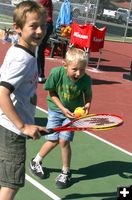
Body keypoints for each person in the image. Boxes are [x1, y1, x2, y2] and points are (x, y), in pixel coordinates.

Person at [0, 1, 49, 200]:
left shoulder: (24, 50)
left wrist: (30, 124)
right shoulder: (23, 59)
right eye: (34, 26)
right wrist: (23, 127)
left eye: (44, 25)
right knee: (11, 184)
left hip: (8, 125)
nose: (40, 31)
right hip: (11, 130)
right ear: (17, 28)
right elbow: (2, 92)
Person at [29, 47, 92, 189]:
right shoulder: (56, 73)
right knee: (52, 139)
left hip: (73, 115)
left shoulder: (86, 80)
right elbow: (51, 92)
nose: (78, 73)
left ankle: (66, 172)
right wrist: (63, 109)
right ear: (65, 65)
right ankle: (36, 161)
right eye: (75, 69)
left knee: (64, 141)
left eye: (82, 70)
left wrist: (87, 106)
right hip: (56, 111)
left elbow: (87, 96)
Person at [36, 0, 53, 83]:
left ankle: (40, 74)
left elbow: (35, 7)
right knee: (38, 49)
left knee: (38, 49)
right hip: (44, 24)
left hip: (45, 25)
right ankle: (37, 73)